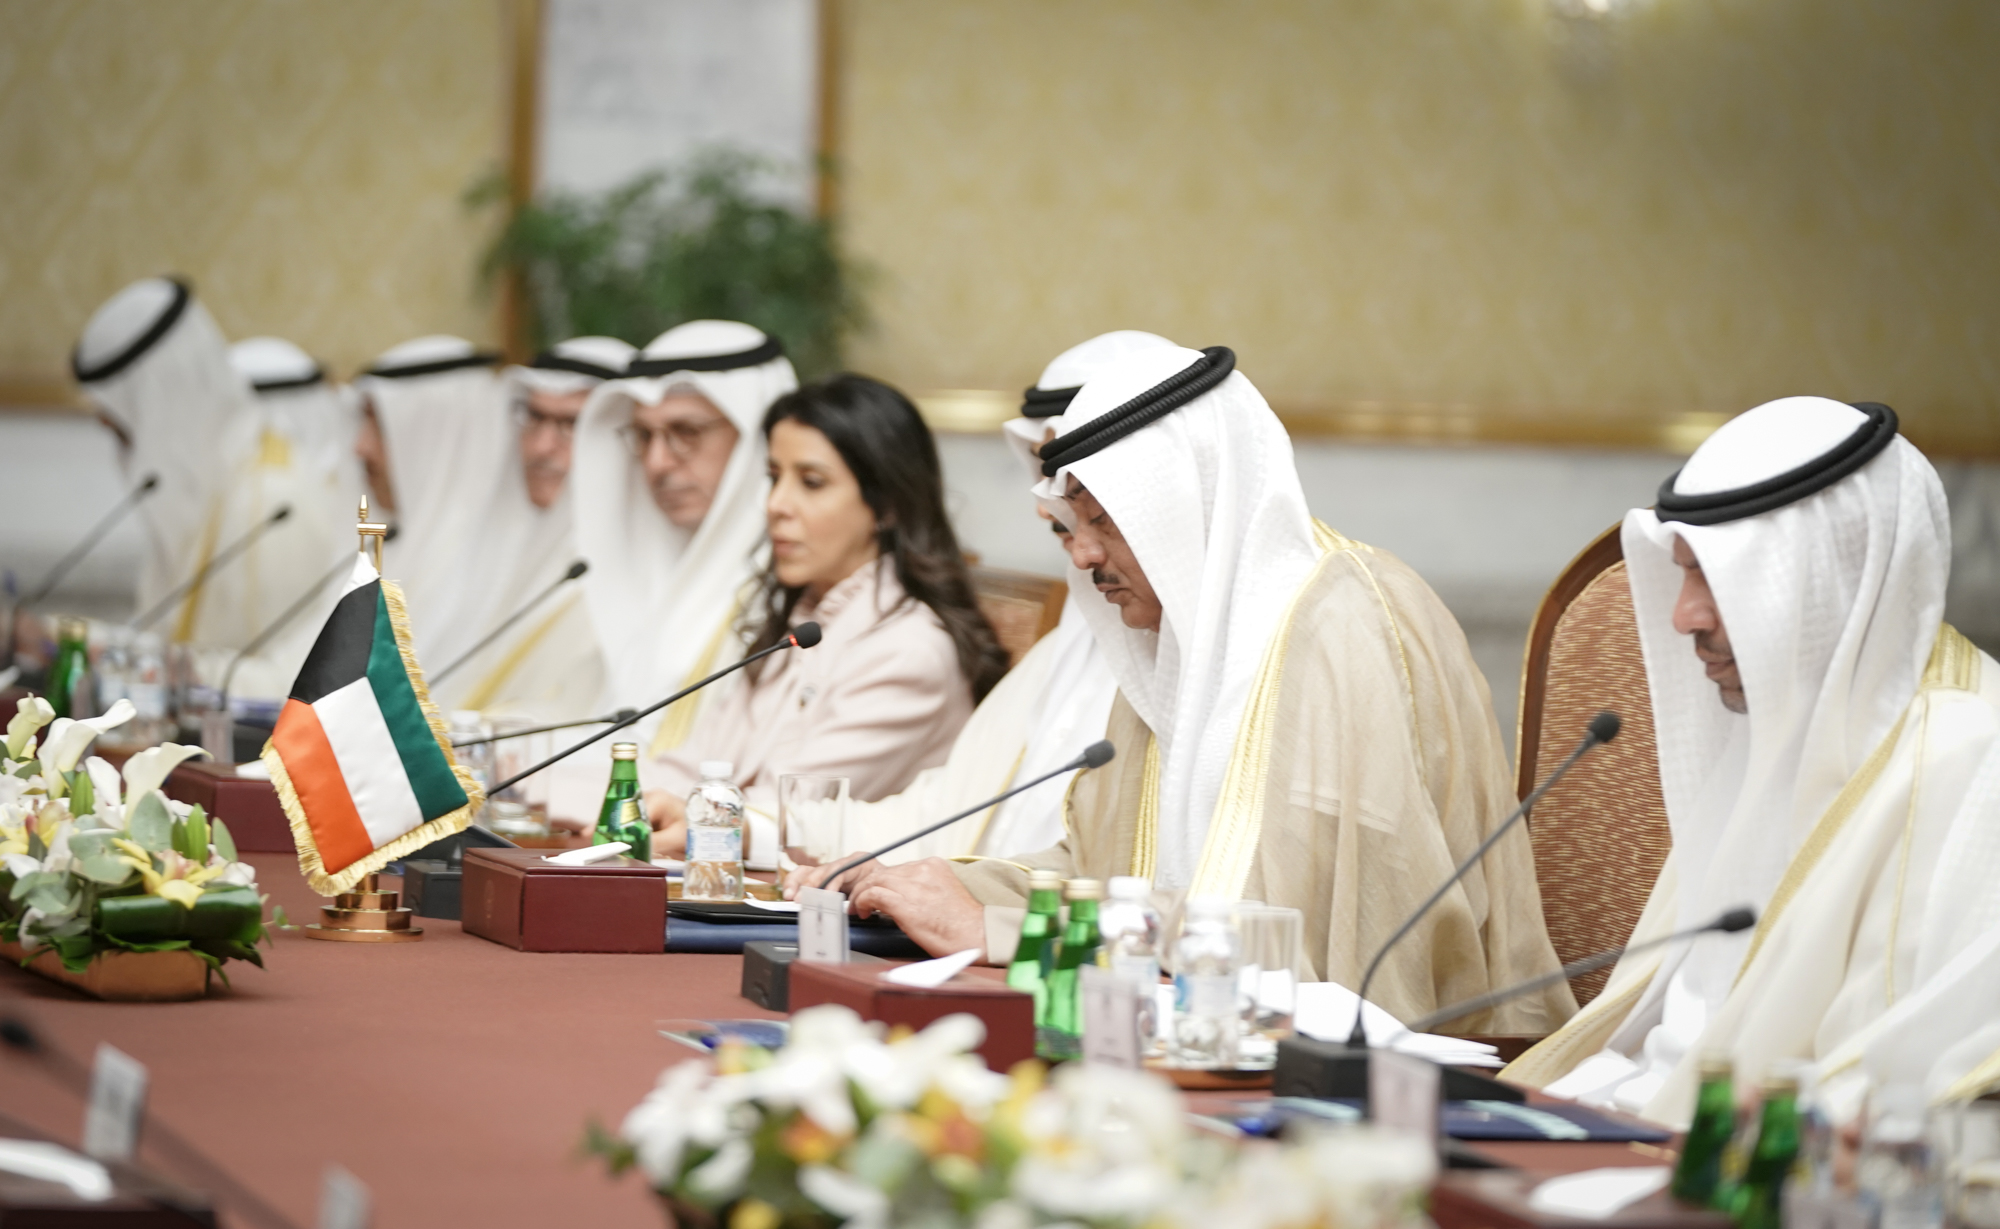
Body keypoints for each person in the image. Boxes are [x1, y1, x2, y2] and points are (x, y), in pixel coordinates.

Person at [808, 344, 1573, 1035]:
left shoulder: (1343, 632)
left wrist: (1001, 929)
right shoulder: (1173, 641)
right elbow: (1099, 870)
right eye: (1072, 523)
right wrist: (945, 881)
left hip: (1380, 1071)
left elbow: (1302, 940)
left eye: (1107, 521)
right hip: (1184, 1030)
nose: (1081, 556)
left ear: (1183, 508)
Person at [1505, 397, 2000, 1128]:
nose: (1684, 617)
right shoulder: (1768, 734)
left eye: (1718, 578)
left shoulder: (1969, 759)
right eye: (1681, 574)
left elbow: (1910, 1091)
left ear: (1827, 574)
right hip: (1627, 1121)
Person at [571, 374, 1008, 867]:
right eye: (774, 477)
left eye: (811, 482)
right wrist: (565, 793)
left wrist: (676, 814)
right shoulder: (804, 622)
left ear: (885, 506)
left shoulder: (908, 650)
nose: (776, 505)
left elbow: (790, 808)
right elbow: (689, 767)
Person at [832, 333, 1169, 863]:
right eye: (1044, 472)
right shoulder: (1072, 639)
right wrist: (755, 823)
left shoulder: (1194, 658)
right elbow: (939, 810)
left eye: (1080, 487)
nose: (1046, 507)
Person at [355, 335, 613, 720]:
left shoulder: (618, 579)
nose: (541, 447)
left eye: (571, 424)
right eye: (534, 417)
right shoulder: (498, 548)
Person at [566, 321, 797, 737]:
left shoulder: (797, 591)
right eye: (643, 435)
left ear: (754, 436)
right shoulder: (631, 574)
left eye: (686, 432)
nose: (656, 463)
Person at [72, 277, 318, 652]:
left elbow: (285, 674)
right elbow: (157, 644)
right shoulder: (201, 493)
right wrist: (56, 638)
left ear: (162, 406)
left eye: (124, 432)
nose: (126, 458)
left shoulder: (273, 504)